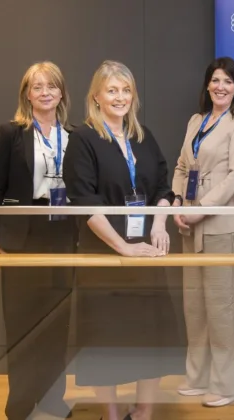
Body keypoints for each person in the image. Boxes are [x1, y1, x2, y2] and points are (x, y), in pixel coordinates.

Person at [63, 60, 179, 420]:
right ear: (96, 96)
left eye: (126, 90)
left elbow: (164, 187)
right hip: (106, 258)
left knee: (150, 338)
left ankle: (142, 411)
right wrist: (123, 247)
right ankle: (112, 414)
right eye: (112, 90)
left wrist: (159, 225)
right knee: (105, 340)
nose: (120, 97)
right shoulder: (83, 139)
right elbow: (85, 202)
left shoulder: (142, 137)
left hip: (145, 254)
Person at [0, 61, 75, 420]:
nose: (45, 92)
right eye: (38, 87)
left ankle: (52, 399)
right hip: (21, 235)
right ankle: (20, 403)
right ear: (27, 94)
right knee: (21, 323)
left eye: (52, 86)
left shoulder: (74, 134)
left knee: (58, 322)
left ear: (61, 93)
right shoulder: (11, 133)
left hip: (62, 233)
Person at [171, 57, 234, 406]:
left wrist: (201, 211)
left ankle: (229, 384)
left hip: (220, 225)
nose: (221, 86)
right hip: (187, 225)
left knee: (223, 308)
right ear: (208, 85)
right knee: (196, 306)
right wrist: (177, 201)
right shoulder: (196, 120)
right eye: (215, 80)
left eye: (228, 81)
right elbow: (180, 166)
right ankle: (199, 377)